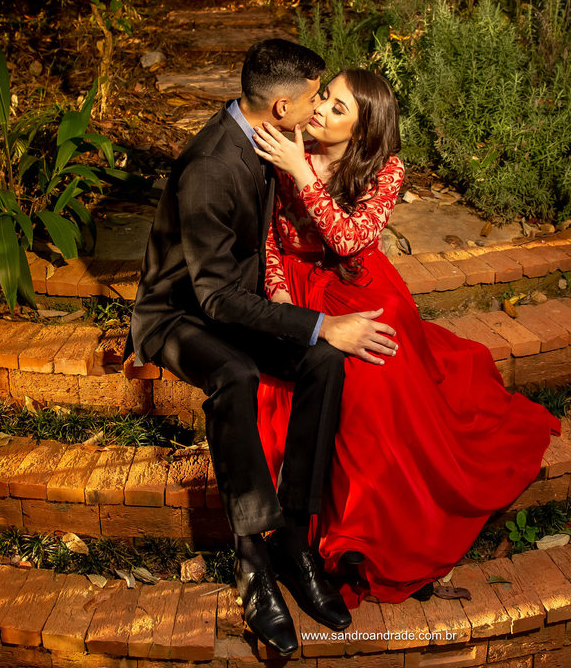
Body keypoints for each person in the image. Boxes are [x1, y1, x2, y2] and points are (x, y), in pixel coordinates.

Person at [128, 41, 400, 655]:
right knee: (235, 374)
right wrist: (318, 323)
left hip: (235, 296)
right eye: (312, 100)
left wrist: (314, 332)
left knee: (325, 364)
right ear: (280, 107)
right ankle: (253, 564)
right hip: (179, 313)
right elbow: (215, 301)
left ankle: (296, 543)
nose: (316, 111)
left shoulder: (272, 141)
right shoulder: (209, 167)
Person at [251, 68, 561, 606]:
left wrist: (303, 174)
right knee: (323, 381)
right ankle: (332, 530)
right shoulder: (288, 142)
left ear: (364, 131)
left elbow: (351, 241)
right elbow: (268, 237)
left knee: (380, 379)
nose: (321, 109)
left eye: (338, 108)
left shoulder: (385, 169)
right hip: (301, 289)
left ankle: (370, 533)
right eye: (325, 96)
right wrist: (278, 292)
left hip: (357, 283)